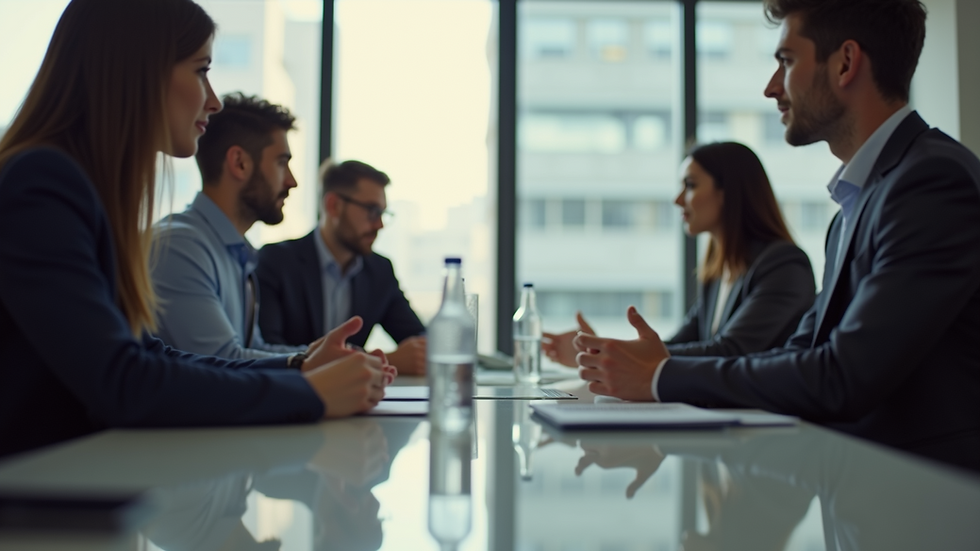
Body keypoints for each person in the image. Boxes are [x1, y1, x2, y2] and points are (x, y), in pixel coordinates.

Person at [574, 0, 980, 472]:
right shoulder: (855, 205)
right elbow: (797, 354)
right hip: (867, 498)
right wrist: (653, 369)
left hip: (927, 508)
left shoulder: (929, 181)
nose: (771, 88)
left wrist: (662, 376)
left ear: (846, 62)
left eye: (786, 61)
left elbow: (842, 376)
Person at [0, 0, 393, 459]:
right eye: (200, 70)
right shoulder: (44, 182)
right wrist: (313, 393)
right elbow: (121, 381)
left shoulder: (80, 190)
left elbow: (149, 355)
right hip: (34, 507)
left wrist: (300, 367)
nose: (214, 99)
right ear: (139, 72)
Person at [542, 142, 815, 364]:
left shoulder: (784, 265)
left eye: (691, 185)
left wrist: (611, 352)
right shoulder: (717, 272)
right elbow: (679, 344)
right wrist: (601, 350)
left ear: (728, 193)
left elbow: (729, 351)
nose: (677, 199)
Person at [150, 92, 367, 361]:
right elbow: (222, 363)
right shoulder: (179, 248)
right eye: (281, 163)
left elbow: (254, 352)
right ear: (240, 163)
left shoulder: (235, 253)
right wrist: (308, 363)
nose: (292, 181)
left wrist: (331, 357)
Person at [256, 160, 428, 375]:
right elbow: (264, 352)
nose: (379, 225)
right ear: (333, 205)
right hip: (292, 401)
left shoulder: (379, 270)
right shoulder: (276, 261)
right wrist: (382, 360)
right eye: (372, 211)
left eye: (383, 214)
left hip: (358, 403)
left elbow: (418, 339)